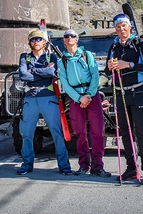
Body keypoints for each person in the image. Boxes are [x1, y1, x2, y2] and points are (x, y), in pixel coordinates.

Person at [105, 13, 143, 185]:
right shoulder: (113, 47)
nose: (121, 29)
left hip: (138, 92)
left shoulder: (140, 43)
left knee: (141, 131)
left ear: (130, 27)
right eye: (118, 27)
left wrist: (128, 64)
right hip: (120, 93)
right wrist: (111, 67)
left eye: (124, 26)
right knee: (125, 133)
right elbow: (106, 71)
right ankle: (131, 168)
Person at [17, 28, 72, 175]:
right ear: (30, 42)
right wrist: (42, 72)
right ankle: (27, 164)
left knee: (56, 132)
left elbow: (51, 73)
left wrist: (32, 71)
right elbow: (23, 76)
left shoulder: (52, 57)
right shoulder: (24, 57)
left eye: (39, 39)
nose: (36, 42)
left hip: (48, 98)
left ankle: (64, 166)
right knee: (27, 134)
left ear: (44, 42)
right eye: (33, 39)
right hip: (30, 99)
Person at [57, 29, 111, 178]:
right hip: (75, 98)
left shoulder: (87, 55)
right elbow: (65, 83)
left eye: (72, 36)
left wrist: (88, 95)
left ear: (77, 39)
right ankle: (83, 165)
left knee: (98, 132)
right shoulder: (62, 61)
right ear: (64, 40)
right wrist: (79, 98)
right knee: (80, 133)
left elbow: (95, 75)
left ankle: (98, 166)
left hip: (92, 95)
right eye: (66, 36)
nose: (69, 38)